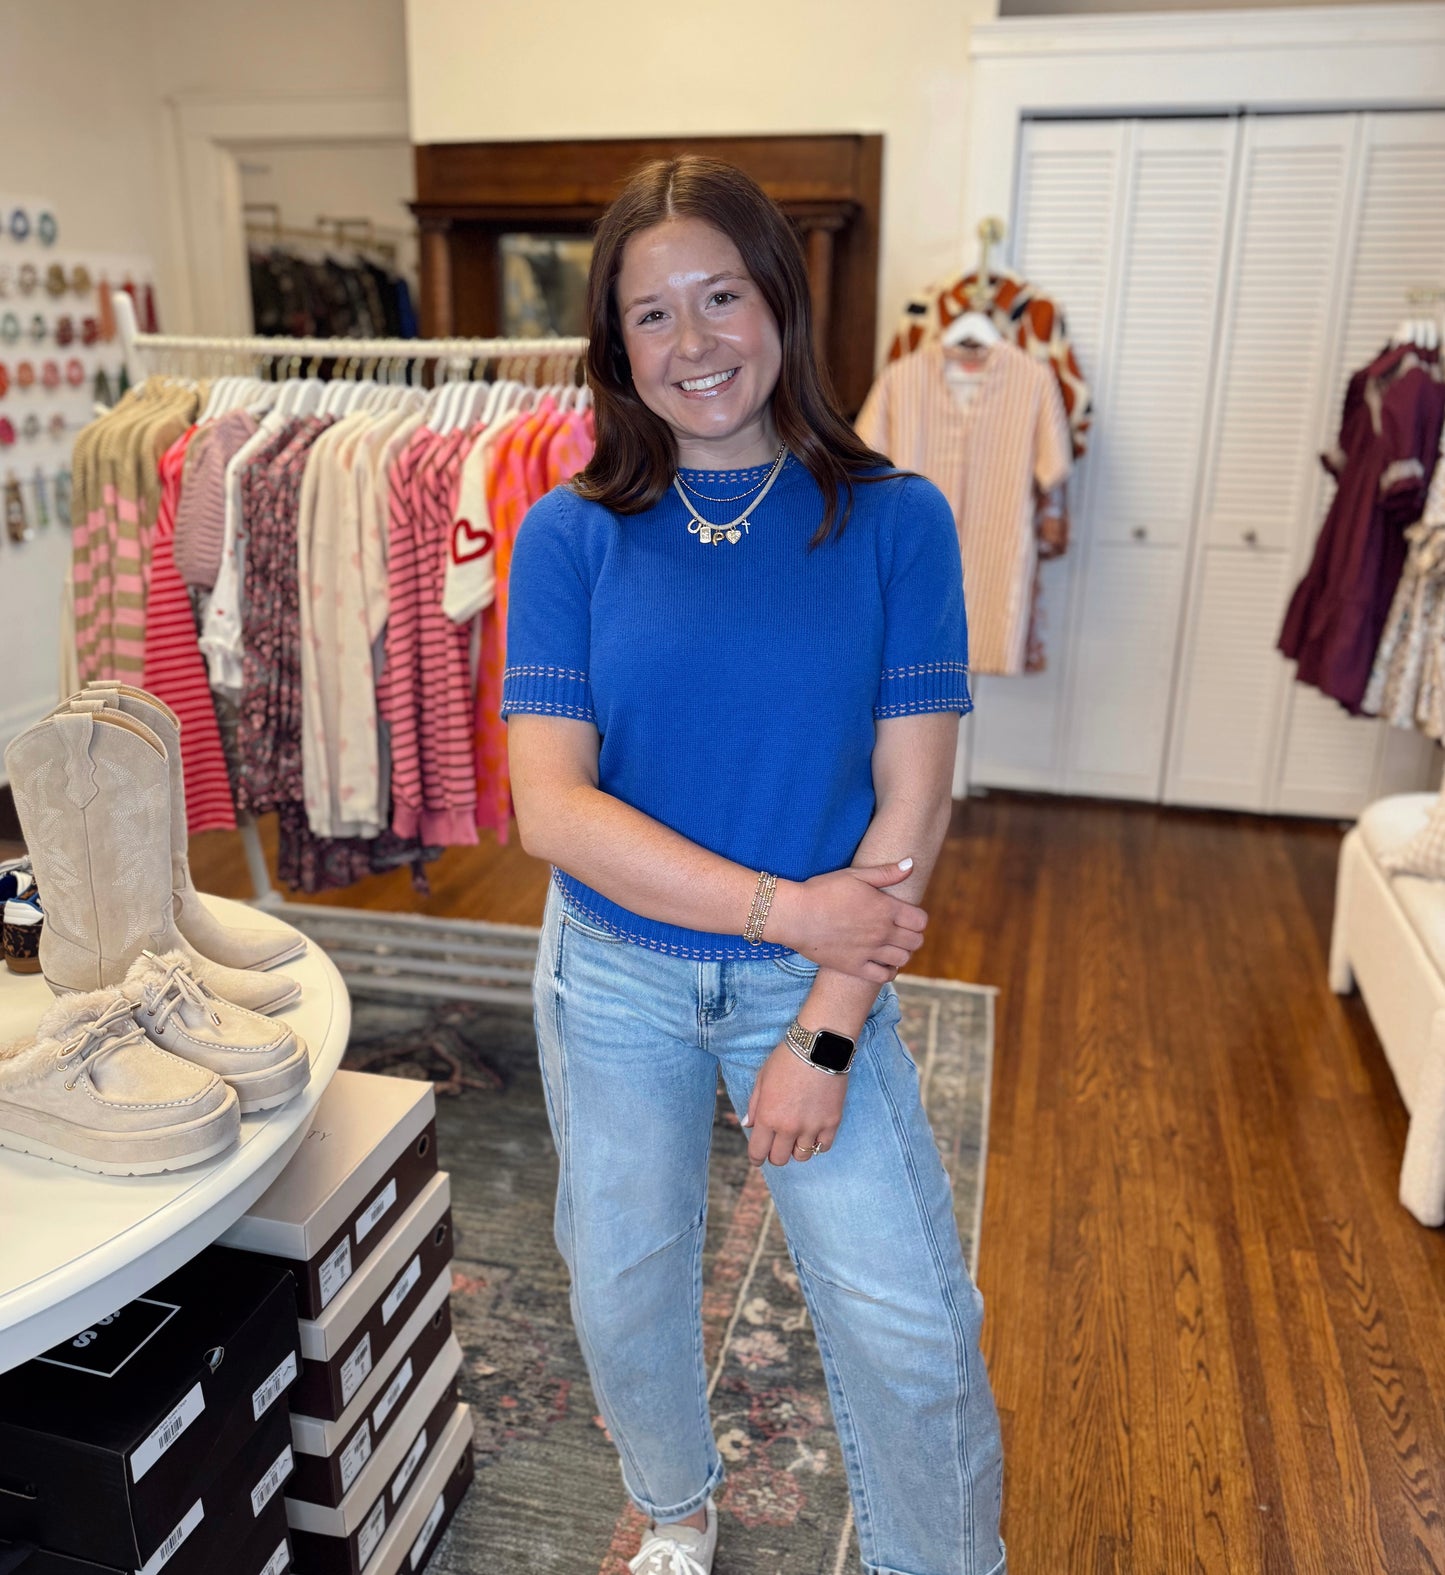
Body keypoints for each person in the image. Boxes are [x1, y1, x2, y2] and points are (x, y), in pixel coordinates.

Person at [502, 155, 1006, 1575]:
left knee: (910, 1323)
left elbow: (912, 798)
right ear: (617, 350)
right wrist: (784, 908)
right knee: (625, 1280)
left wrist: (826, 1029)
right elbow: (551, 808)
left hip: (821, 984)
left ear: (778, 302)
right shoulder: (568, 534)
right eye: (650, 316)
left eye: (719, 295)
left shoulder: (893, 520)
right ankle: (672, 1509)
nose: (693, 343)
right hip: (613, 978)